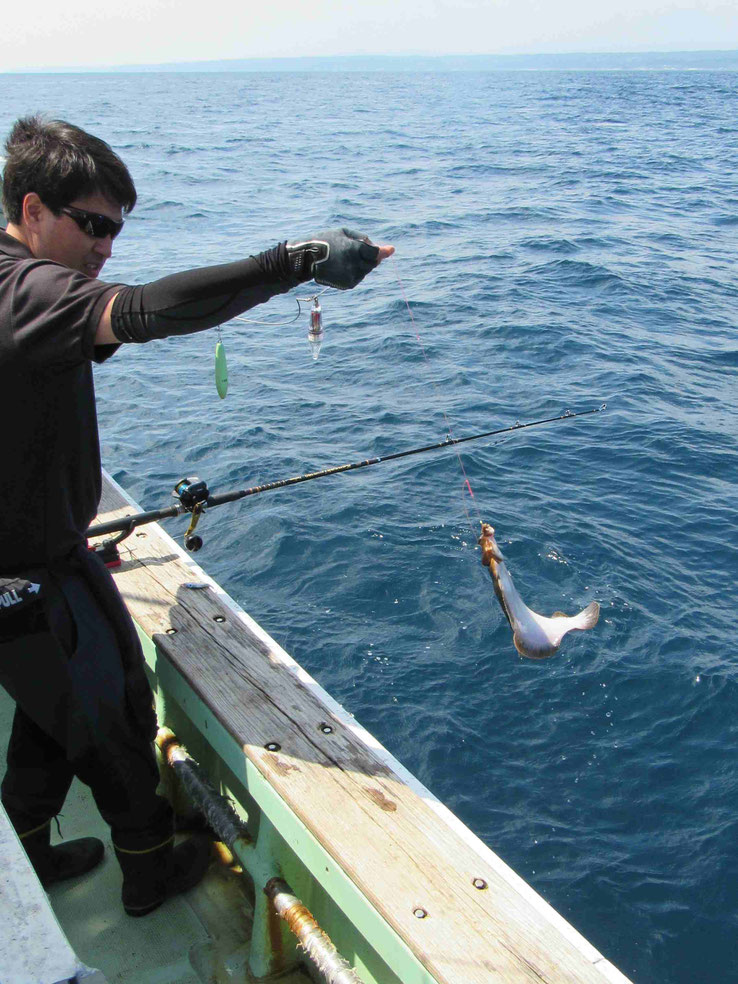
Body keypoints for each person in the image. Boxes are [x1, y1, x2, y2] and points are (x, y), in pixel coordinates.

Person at [0, 114, 393, 917]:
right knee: (111, 718)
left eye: (117, 228)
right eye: (93, 225)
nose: (107, 245)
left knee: (50, 712)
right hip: (23, 572)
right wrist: (292, 263)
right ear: (33, 210)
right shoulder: (26, 290)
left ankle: (29, 853)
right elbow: (142, 312)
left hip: (42, 551)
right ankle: (147, 872)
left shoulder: (25, 287)